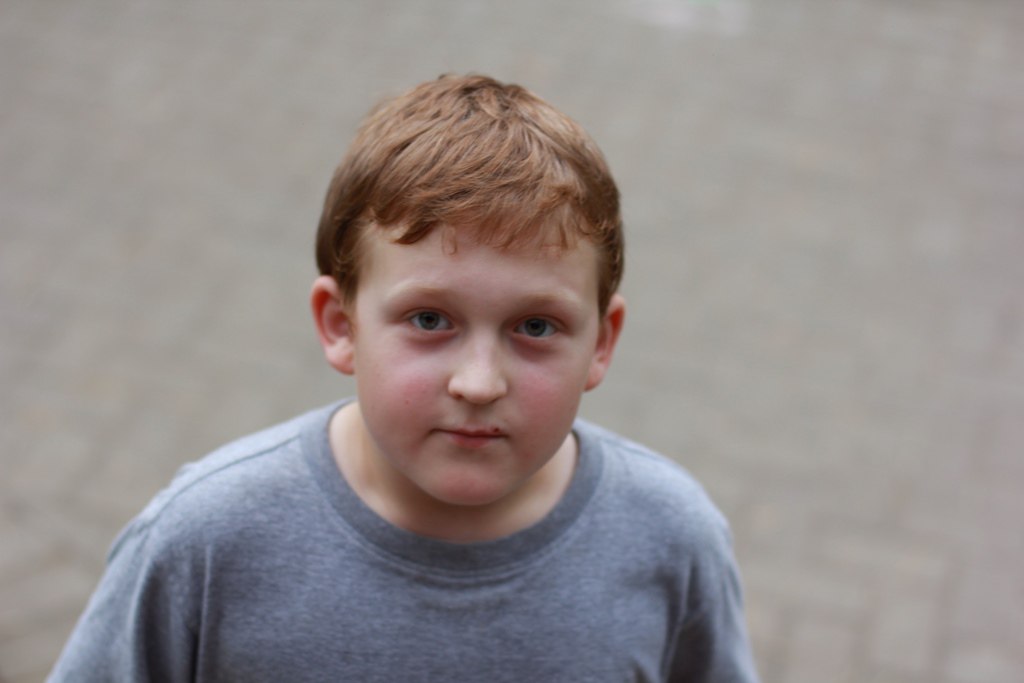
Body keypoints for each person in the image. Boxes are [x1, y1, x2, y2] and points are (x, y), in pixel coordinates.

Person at [50, 74, 760, 682]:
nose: (479, 383)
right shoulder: (207, 540)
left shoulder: (670, 537)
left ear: (601, 342)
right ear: (340, 324)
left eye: (536, 327)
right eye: (429, 319)